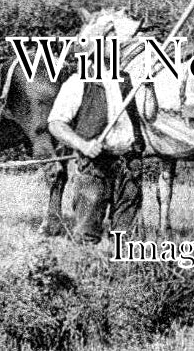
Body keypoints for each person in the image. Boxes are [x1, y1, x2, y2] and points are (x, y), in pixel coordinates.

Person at [46, 39, 145, 244]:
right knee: (86, 236)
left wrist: (149, 85)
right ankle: (87, 271)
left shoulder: (125, 80)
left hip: (129, 165)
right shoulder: (77, 82)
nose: (116, 47)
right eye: (109, 43)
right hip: (95, 166)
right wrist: (82, 144)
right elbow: (55, 124)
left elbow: (148, 116)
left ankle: (122, 273)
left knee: (126, 240)